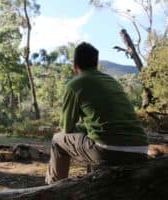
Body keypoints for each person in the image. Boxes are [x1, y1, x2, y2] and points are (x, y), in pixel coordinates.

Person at [45, 42, 149, 184]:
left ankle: (53, 190)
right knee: (92, 136)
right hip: (141, 149)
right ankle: (94, 182)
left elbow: (66, 128)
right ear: (95, 63)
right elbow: (100, 123)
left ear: (75, 65)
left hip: (109, 151)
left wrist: (66, 129)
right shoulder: (112, 81)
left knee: (57, 140)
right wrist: (81, 128)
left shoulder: (75, 85)